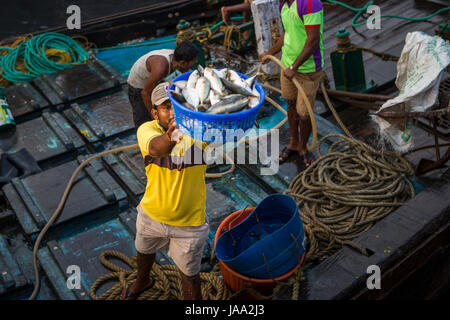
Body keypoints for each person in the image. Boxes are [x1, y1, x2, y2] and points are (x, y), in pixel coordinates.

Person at [120, 82, 209, 300]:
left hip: (189, 223)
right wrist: (172, 134)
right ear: (154, 113)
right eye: (166, 107)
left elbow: (222, 131)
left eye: (178, 106)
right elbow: (155, 149)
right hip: (151, 213)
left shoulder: (200, 133)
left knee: (190, 277)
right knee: (144, 252)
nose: (172, 112)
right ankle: (143, 280)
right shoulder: (147, 130)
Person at [259, 0, 325, 166]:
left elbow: (313, 40)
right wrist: (270, 52)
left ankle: (303, 147)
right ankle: (293, 142)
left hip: (308, 69)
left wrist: (295, 66)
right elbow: (286, 33)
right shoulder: (283, 5)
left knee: (304, 114)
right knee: (290, 103)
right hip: (286, 65)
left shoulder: (310, 4)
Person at [127, 41, 199, 128]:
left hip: (154, 79)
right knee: (144, 119)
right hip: (138, 86)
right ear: (183, 63)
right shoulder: (161, 69)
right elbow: (145, 93)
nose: (196, 62)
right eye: (193, 61)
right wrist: (154, 116)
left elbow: (186, 71)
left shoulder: (177, 58)